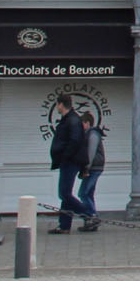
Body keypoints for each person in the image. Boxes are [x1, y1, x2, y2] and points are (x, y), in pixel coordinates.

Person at [48, 100, 90, 234]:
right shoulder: (69, 119)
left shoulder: (72, 120)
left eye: (57, 104)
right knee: (66, 194)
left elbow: (75, 141)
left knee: (64, 193)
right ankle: (64, 226)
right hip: (69, 161)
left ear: (61, 104)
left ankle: (88, 214)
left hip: (70, 162)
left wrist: (65, 157)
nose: (56, 107)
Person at [74, 110, 106, 231]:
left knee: (83, 193)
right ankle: (90, 221)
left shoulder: (92, 134)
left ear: (87, 123)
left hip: (94, 168)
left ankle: (93, 216)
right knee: (89, 194)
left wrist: (86, 168)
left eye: (81, 123)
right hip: (94, 167)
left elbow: (91, 153)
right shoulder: (91, 134)